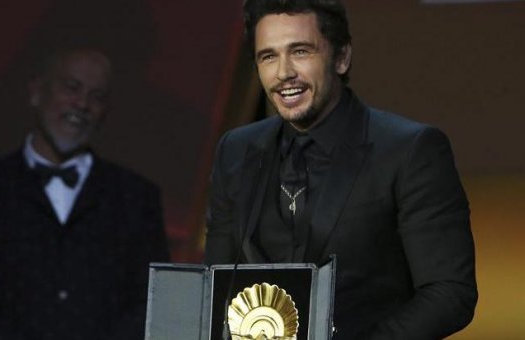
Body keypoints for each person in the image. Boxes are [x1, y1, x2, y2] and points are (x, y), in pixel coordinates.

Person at [204, 1, 477, 339]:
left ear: (342, 57)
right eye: (268, 56)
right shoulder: (236, 150)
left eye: (300, 51)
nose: (283, 72)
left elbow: (450, 292)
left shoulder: (410, 150)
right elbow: (214, 283)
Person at [0, 48, 169, 339]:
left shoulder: (138, 199)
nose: (82, 103)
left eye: (96, 96)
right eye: (72, 87)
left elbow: (151, 300)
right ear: (37, 92)